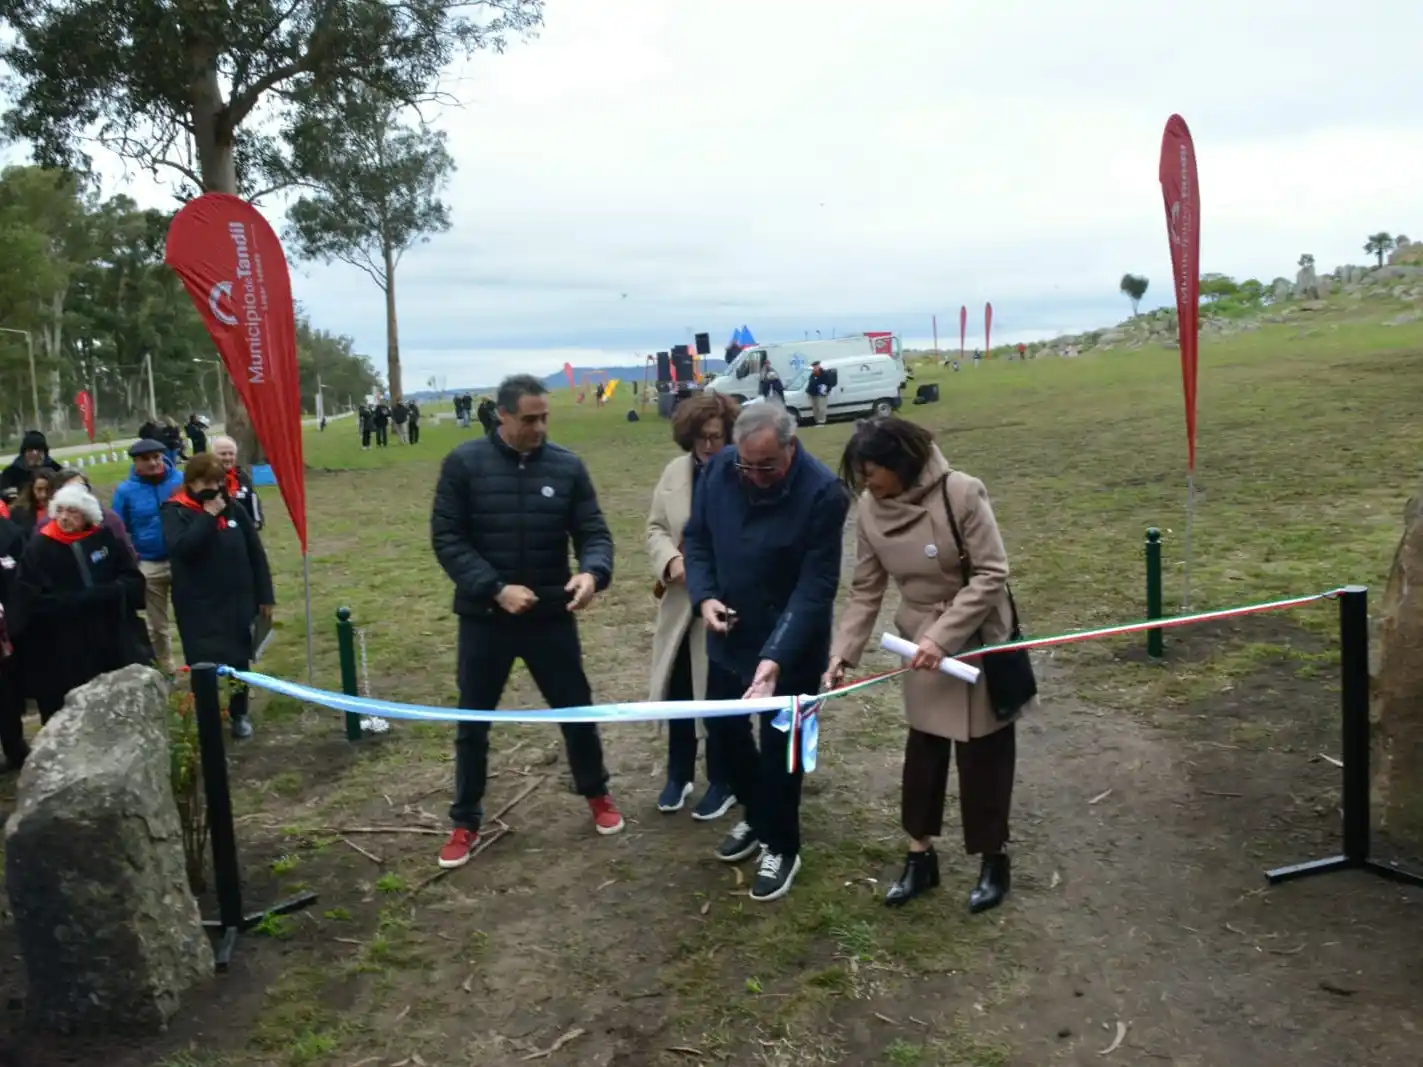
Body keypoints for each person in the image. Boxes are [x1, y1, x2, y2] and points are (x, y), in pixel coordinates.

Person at [825, 416, 1018, 913]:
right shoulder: (870, 510)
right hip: (919, 645)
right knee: (924, 753)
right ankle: (920, 858)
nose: (867, 482)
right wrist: (842, 653)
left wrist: (944, 636)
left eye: (873, 471)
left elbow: (992, 573)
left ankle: (992, 860)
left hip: (974, 635)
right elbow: (866, 588)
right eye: (862, 473)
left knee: (983, 757)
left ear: (901, 464)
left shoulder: (962, 493)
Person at [431, 373, 622, 870]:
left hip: (550, 617)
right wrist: (494, 588)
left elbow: (594, 532)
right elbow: (447, 539)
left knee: (576, 710)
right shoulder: (463, 465)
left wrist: (592, 574)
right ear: (503, 416)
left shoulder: (567, 467)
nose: (540, 427)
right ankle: (465, 820)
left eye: (545, 418)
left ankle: (597, 795)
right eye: (530, 419)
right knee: (473, 721)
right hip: (484, 619)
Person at [682, 403, 849, 902]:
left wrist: (776, 656)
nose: (755, 477)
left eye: (767, 467)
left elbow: (816, 586)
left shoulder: (823, 493)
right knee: (726, 732)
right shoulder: (718, 471)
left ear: (791, 448)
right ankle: (759, 816)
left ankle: (783, 844)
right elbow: (697, 541)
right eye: (746, 466)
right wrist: (704, 596)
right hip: (730, 631)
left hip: (793, 642)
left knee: (782, 750)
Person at [646, 392, 740, 819]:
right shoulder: (673, 473)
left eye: (716, 436)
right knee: (679, 688)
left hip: (724, 604)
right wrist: (672, 560)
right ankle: (678, 773)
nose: (708, 445)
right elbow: (655, 528)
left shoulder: (742, 472)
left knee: (718, 693)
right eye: (701, 437)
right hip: (680, 604)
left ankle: (724, 778)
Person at [13, 483, 149, 722]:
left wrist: (110, 593)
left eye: (72, 511)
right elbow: (30, 601)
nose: (64, 517)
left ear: (86, 515)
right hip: (64, 646)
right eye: (60, 510)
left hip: (110, 636)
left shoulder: (104, 539)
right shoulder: (39, 548)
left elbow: (132, 579)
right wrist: (80, 601)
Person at [163, 454, 274, 740]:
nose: (213, 487)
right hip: (198, 606)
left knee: (238, 661)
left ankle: (239, 713)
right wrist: (208, 516)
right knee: (204, 664)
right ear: (191, 483)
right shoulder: (175, 512)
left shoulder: (234, 509)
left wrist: (265, 595)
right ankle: (209, 718)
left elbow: (255, 554)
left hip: (237, 602)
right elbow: (184, 548)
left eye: (218, 481)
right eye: (206, 482)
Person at [111, 438, 184, 676]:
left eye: (156, 457)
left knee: (191, 617)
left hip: (182, 560)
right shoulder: (125, 491)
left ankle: (201, 663)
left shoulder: (179, 482)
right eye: (146, 459)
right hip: (149, 564)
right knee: (157, 626)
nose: (153, 463)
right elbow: (119, 530)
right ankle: (166, 669)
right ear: (136, 463)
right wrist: (135, 558)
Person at [50, 469, 137, 562]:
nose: (77, 494)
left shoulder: (109, 519)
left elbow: (128, 557)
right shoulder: (46, 528)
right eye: (71, 490)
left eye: (81, 488)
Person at [0, 507, 29, 769]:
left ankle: (15, 747)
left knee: (7, 694)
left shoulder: (10, 533)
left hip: (5, 628)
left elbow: (21, 581)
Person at [209, 434, 264, 530]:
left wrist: (257, 521)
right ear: (213, 456)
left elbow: (253, 498)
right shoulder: (206, 478)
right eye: (223, 454)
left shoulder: (241, 476)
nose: (228, 457)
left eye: (231, 454)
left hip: (243, 531)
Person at [0, 431, 63, 504]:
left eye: (39, 450)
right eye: (30, 450)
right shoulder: (11, 472)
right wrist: (5, 495)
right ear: (24, 453)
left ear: (44, 453)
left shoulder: (55, 468)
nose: (35, 453)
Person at [10, 470, 55, 539]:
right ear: (32, 489)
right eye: (39, 489)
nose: (44, 495)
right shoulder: (18, 511)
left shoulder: (63, 511)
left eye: (48, 489)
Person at [806, 361, 838, 426]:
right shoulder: (812, 374)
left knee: (821, 408)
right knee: (815, 409)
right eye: (814, 367)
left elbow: (829, 384)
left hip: (821, 394)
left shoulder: (824, 374)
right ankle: (817, 422)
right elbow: (810, 383)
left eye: (816, 366)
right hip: (813, 394)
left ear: (819, 366)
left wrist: (826, 391)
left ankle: (822, 422)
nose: (815, 368)